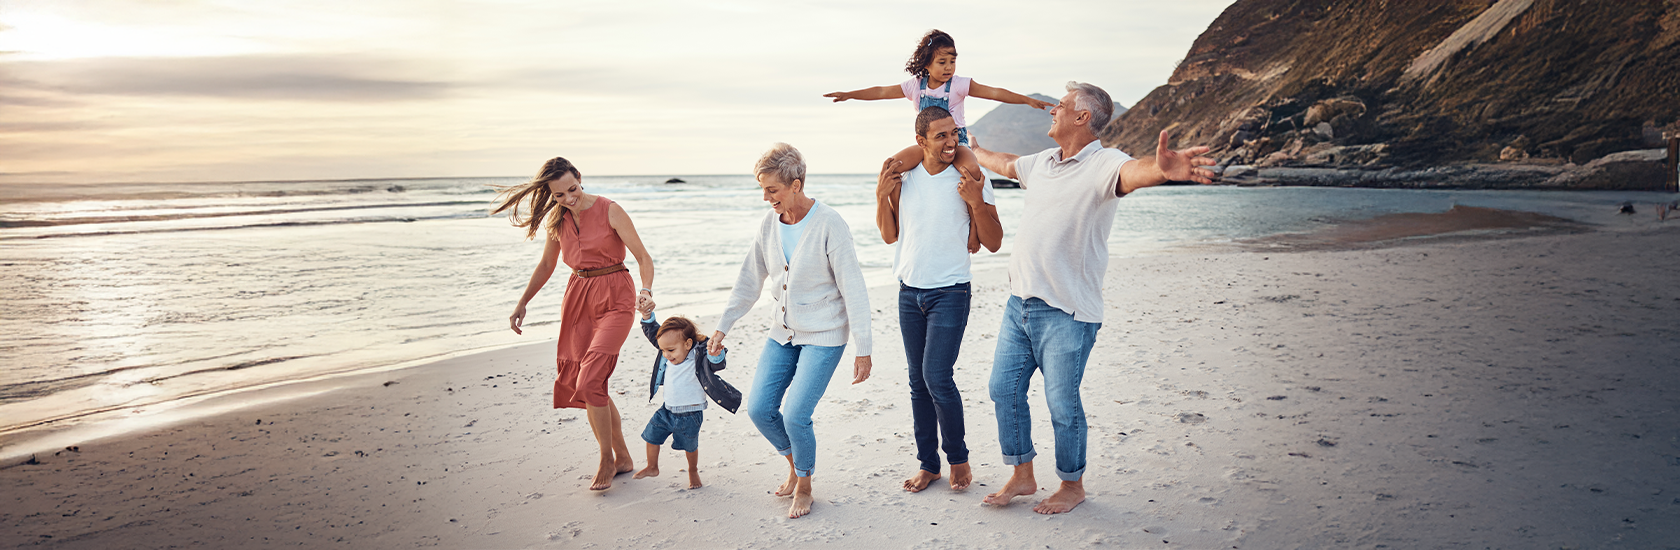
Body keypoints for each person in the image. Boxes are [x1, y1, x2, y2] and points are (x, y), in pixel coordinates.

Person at [969, 82, 1218, 514]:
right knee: (1002, 390)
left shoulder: (1106, 163)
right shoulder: (1043, 162)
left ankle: (1071, 484)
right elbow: (1007, 164)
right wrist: (975, 150)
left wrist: (1161, 170)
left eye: (1061, 106)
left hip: (1068, 312)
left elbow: (1133, 173)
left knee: (1062, 403)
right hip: (1020, 305)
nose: (1053, 110)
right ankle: (1023, 474)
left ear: (1082, 117)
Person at [710, 143, 874, 519]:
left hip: (825, 334)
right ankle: (795, 462)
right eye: (763, 189)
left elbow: (854, 287)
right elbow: (749, 280)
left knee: (796, 414)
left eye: (773, 190)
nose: (766, 198)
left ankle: (804, 483)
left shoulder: (830, 223)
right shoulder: (769, 223)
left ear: (796, 185)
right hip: (782, 332)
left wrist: (863, 348)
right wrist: (723, 326)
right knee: (760, 409)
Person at [494, 157, 657, 491]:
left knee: (590, 378)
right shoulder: (557, 221)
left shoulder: (611, 210)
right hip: (578, 300)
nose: (569, 198)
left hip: (616, 296)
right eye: (559, 195)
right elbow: (546, 266)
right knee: (592, 384)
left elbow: (643, 257)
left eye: (573, 189)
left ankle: (605, 459)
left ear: (580, 178)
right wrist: (522, 302)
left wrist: (646, 291)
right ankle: (623, 456)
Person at [874, 105, 1002, 493]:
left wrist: (976, 201)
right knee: (918, 382)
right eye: (941, 136)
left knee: (937, 378)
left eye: (955, 134)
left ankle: (958, 459)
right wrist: (882, 196)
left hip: (950, 291)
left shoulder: (969, 177)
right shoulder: (906, 177)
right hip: (909, 292)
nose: (952, 142)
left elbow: (994, 242)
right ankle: (928, 465)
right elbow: (889, 235)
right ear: (921, 141)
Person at [824, 29, 1051, 188]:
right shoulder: (915, 86)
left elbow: (993, 92)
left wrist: (1027, 100)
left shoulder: (959, 85)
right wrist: (849, 95)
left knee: (972, 169)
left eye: (952, 61)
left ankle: (975, 222)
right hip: (926, 146)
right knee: (890, 168)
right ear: (927, 64)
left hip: (956, 143)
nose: (948, 67)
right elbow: (882, 92)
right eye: (942, 62)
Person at [631, 301, 742, 490]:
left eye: (671, 350)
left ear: (688, 343)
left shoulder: (698, 356)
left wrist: (715, 354)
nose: (666, 355)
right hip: (666, 410)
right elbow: (654, 334)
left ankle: (692, 470)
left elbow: (716, 364)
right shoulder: (668, 350)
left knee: (690, 446)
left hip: (691, 414)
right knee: (651, 436)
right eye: (663, 350)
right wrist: (647, 316)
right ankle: (652, 466)